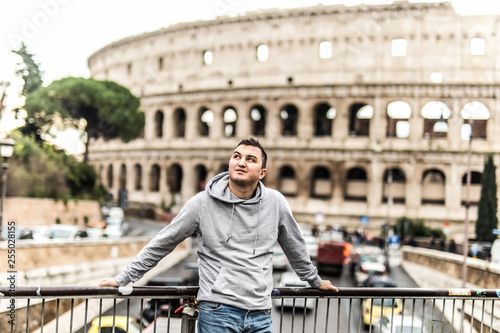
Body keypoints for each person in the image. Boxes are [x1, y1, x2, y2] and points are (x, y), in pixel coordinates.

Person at [98, 138, 338, 333]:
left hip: (261, 313)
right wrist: (123, 279)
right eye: (237, 156)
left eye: (250, 159)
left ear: (262, 172)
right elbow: (162, 243)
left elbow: (294, 246)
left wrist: (314, 281)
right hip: (217, 312)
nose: (241, 162)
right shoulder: (201, 204)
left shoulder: (276, 203)